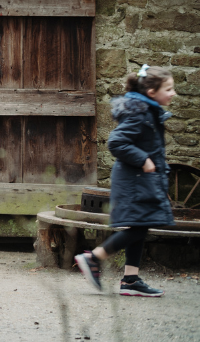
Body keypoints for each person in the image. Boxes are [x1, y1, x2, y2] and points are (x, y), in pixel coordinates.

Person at [75, 65, 176, 297]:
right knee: (138, 227)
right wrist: (144, 161)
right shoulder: (140, 114)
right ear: (151, 92)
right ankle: (92, 258)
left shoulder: (149, 112)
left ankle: (130, 280)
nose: (173, 94)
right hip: (135, 181)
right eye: (168, 89)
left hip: (141, 181)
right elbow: (117, 143)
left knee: (139, 226)